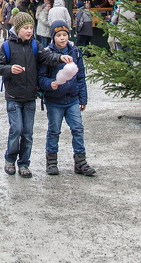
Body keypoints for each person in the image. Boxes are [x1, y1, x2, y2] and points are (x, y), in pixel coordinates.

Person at [0, 12, 66, 178]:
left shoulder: (35, 45)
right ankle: (10, 159)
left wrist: (60, 58)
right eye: (26, 28)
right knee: (16, 129)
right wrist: (9, 69)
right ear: (18, 28)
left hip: (30, 96)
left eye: (31, 28)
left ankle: (24, 163)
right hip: (13, 96)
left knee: (28, 132)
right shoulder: (7, 46)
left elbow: (47, 57)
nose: (29, 31)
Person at [38, 20, 97, 176]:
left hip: (72, 99)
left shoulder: (75, 52)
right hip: (54, 100)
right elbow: (41, 78)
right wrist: (50, 84)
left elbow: (81, 77)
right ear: (53, 37)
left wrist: (83, 98)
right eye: (59, 35)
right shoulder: (47, 54)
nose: (62, 38)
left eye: (65, 35)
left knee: (77, 129)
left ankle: (80, 162)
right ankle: (51, 162)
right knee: (54, 130)